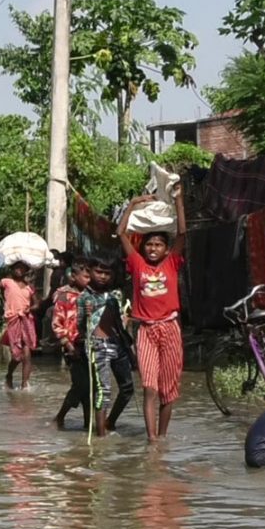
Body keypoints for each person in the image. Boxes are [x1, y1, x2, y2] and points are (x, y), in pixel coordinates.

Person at [118, 184, 187, 442]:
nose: (153, 249)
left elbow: (182, 232)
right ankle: (151, 440)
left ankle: (162, 437)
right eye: (149, 244)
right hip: (146, 330)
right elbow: (121, 232)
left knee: (168, 390)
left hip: (169, 329)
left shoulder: (171, 263)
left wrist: (178, 200)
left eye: (158, 245)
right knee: (149, 387)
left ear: (166, 250)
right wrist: (133, 203)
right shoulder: (137, 264)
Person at [77, 257, 135, 437]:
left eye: (107, 273)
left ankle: (110, 422)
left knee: (127, 388)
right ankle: (101, 435)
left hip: (118, 343)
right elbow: (80, 327)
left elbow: (122, 319)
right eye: (99, 272)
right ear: (90, 271)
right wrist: (88, 316)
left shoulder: (115, 294)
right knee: (103, 390)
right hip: (97, 344)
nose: (102, 276)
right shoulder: (84, 297)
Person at [52, 259, 92, 429]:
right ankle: (60, 417)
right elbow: (57, 324)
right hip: (72, 347)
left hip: (91, 345)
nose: (89, 280)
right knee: (81, 385)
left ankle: (88, 424)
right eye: (86, 277)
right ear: (74, 276)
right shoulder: (64, 296)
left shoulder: (92, 295)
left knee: (90, 388)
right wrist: (67, 344)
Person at [0, 262, 38, 390]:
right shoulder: (7, 282)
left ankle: (24, 384)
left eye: (21, 268)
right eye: (16, 268)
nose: (19, 270)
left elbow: (37, 304)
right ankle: (9, 375)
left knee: (27, 354)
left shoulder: (29, 287)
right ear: (12, 269)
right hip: (13, 321)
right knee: (17, 356)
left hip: (26, 320)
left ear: (26, 270)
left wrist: (30, 309)